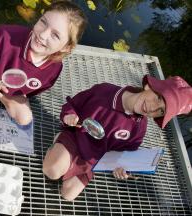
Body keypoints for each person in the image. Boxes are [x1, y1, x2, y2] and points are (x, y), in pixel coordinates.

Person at [0, 1, 88, 139]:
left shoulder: (55, 68)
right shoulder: (5, 35)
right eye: (43, 22)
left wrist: (16, 95)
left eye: (55, 35)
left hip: (6, 87)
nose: (43, 35)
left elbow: (36, 88)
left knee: (24, 118)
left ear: (66, 47)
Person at [43, 75, 192, 201]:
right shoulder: (104, 91)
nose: (152, 108)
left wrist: (122, 168)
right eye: (158, 98)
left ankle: (71, 166)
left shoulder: (139, 128)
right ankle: (59, 142)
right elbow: (72, 104)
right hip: (75, 138)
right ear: (149, 86)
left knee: (68, 194)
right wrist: (69, 115)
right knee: (52, 171)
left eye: (161, 111)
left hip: (93, 160)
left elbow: (123, 155)